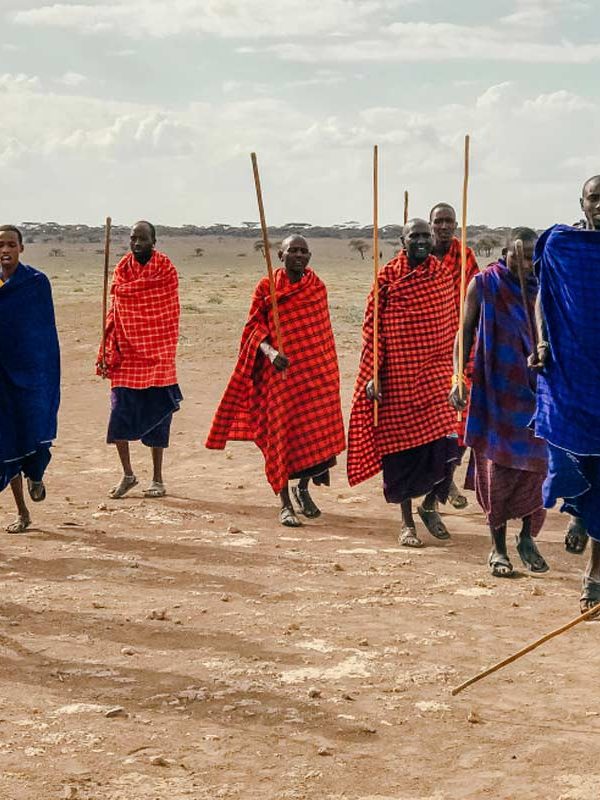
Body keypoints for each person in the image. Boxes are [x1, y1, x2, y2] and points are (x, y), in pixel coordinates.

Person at [206, 235, 345, 526]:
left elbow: (322, 335)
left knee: (313, 435)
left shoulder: (317, 288)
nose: (298, 255)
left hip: (314, 375)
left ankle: (302, 488)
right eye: (292, 251)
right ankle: (285, 504)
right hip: (279, 376)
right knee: (280, 436)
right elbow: (253, 329)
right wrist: (270, 353)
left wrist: (327, 373)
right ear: (280, 255)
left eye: (303, 251)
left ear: (310, 257)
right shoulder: (267, 287)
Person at [347, 218, 458, 548]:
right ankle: (407, 523)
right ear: (402, 240)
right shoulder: (387, 277)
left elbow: (451, 324)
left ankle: (430, 505)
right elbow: (372, 329)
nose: (421, 240)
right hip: (398, 377)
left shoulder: (441, 275)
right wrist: (373, 373)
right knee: (401, 453)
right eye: (415, 236)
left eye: (425, 235)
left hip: (437, 374)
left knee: (447, 443)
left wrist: (458, 373)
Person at [450, 228, 549, 577]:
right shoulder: (484, 285)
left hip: (538, 394)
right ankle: (498, 548)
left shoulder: (546, 287)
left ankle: (527, 537)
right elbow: (464, 333)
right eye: (517, 256)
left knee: (538, 471)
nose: (524, 264)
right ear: (504, 254)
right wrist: (457, 379)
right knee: (497, 473)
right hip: (495, 394)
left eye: (531, 258)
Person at [532, 174, 600, 610]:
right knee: (565, 460)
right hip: (568, 374)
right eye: (596, 197)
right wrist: (542, 342)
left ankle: (594, 574)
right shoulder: (561, 245)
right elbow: (544, 297)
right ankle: (578, 510)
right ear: (582, 203)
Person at [97, 221, 182, 499]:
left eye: (142, 239)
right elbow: (115, 309)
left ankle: (158, 478)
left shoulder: (165, 268)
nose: (136, 243)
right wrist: (108, 345)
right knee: (119, 414)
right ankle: (128, 475)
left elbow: (167, 311)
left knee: (159, 416)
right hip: (127, 355)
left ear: (153, 242)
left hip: (158, 355)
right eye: (133, 238)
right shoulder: (122, 269)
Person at [0, 225, 60, 532]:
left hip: (31, 375)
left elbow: (44, 334)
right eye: (0, 245)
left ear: (21, 248)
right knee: (5, 442)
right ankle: (22, 512)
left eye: (11, 244)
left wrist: (42, 373)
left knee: (33, 432)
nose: (5, 250)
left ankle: (35, 474)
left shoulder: (36, 283)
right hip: (1, 378)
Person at [430, 202, 480, 509]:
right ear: (431, 224)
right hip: (425, 349)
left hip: (460, 344)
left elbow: (475, 297)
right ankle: (437, 484)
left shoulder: (465, 257)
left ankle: (446, 479)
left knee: (461, 416)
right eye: (439, 221)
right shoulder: (418, 254)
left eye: (450, 221)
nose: (445, 226)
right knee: (432, 422)